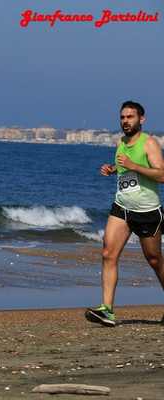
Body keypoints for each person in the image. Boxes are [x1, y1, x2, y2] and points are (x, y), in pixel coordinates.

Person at [85, 100, 164, 326]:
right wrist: (113, 170)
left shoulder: (149, 143)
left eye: (130, 117)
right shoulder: (121, 142)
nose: (125, 121)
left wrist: (133, 165)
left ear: (142, 119)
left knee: (155, 259)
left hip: (147, 212)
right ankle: (107, 310)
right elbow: (124, 170)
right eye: (122, 117)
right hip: (122, 208)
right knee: (108, 253)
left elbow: (161, 175)